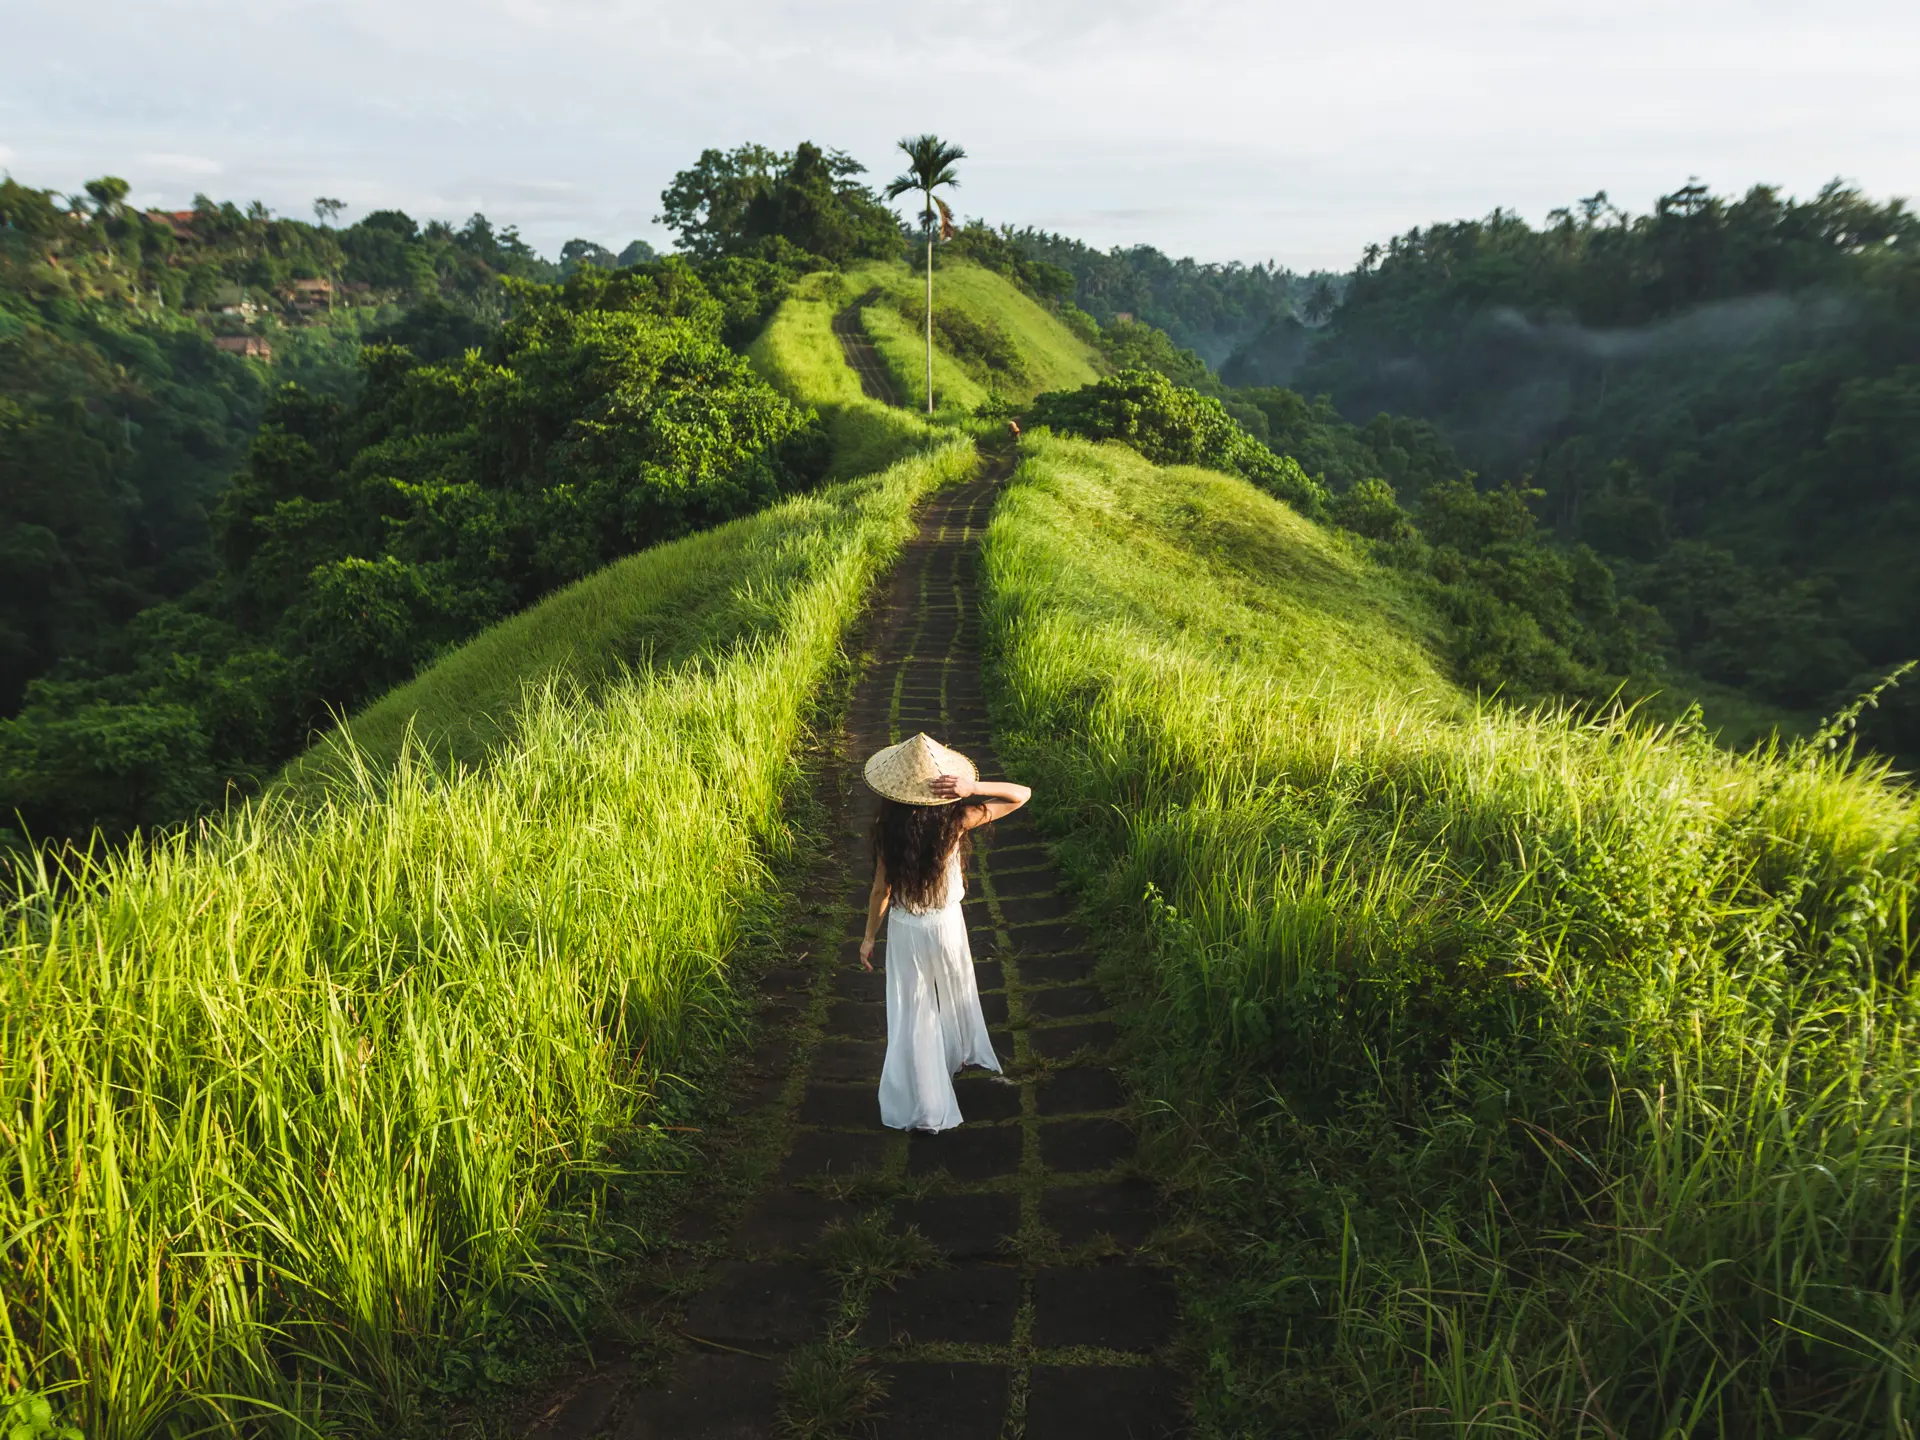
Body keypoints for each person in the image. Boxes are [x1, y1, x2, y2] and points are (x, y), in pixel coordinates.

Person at [858, 732, 1031, 1132]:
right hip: (946, 925)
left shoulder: (888, 831)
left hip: (906, 931)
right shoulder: (957, 822)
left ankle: (925, 1099)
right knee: (956, 992)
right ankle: (956, 1058)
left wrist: (868, 938)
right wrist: (974, 788)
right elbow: (1020, 794)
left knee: (913, 1012)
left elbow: (880, 892)